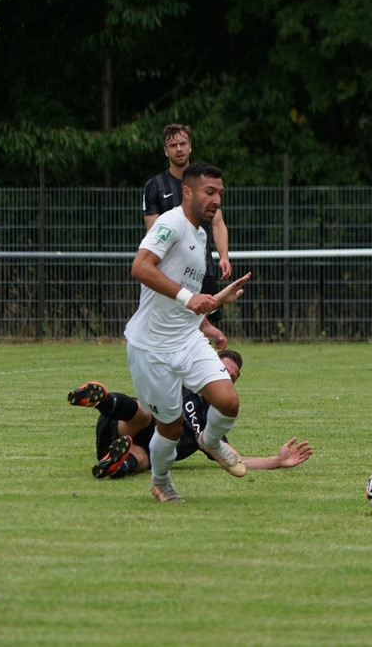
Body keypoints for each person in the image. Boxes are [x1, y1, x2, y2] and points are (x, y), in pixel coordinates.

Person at [125, 161, 252, 502]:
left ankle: (210, 441)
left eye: (220, 193)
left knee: (228, 402)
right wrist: (188, 297)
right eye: (209, 192)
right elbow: (140, 267)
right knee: (170, 426)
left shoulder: (200, 234)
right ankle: (161, 481)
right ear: (187, 192)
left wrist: (213, 307)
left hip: (186, 338)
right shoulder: (171, 224)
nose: (217, 200)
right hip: (151, 347)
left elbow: (190, 300)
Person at [67, 349, 313, 479]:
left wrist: (277, 461)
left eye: (232, 377)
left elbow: (234, 459)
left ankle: (114, 466)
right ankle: (102, 399)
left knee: (143, 459)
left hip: (134, 447)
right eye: (222, 370)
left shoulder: (213, 422)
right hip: (124, 423)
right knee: (144, 413)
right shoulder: (185, 381)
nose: (226, 378)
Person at [143, 124, 231, 338]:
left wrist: (224, 256)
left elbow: (217, 222)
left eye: (183, 143)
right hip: (172, 273)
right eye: (173, 145)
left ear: (190, 146)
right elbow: (153, 229)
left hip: (202, 269)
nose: (179, 149)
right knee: (174, 329)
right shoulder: (155, 186)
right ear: (165, 151)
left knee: (204, 330)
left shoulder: (204, 184)